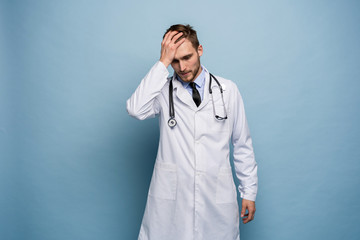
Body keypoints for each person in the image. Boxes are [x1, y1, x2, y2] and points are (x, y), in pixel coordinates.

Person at [126, 24, 258, 240]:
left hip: (216, 196)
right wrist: (162, 63)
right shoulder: (162, 91)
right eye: (175, 61)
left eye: (187, 57)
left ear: (200, 50)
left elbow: (242, 144)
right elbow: (135, 109)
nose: (182, 67)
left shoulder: (227, 90)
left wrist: (249, 192)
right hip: (173, 201)